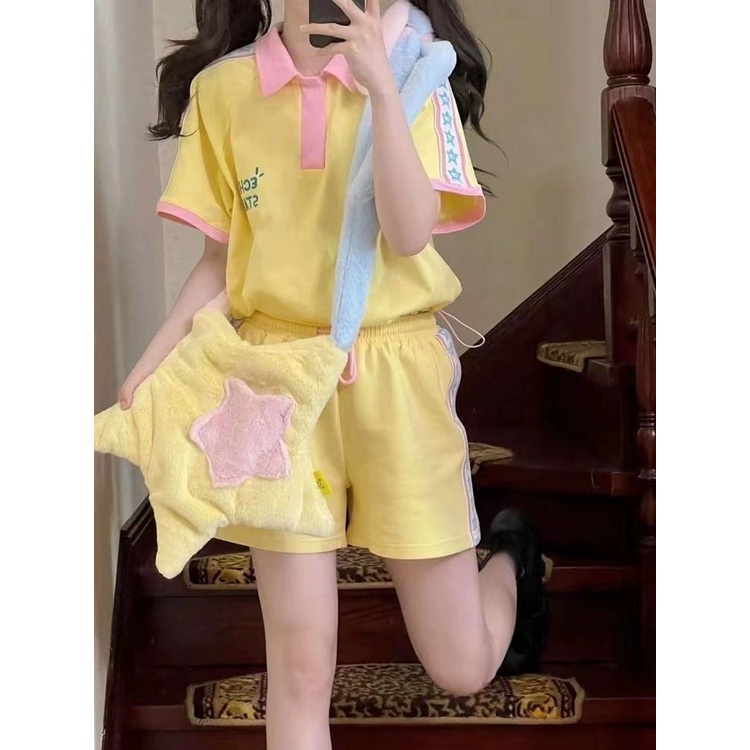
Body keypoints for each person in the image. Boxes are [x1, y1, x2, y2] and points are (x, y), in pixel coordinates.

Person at [122, 1, 548, 747]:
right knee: (298, 665)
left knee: (462, 665)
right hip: (276, 383)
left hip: (398, 378)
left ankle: (513, 559)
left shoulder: (417, 68)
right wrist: (153, 363)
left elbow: (409, 233)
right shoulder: (224, 91)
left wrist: (382, 86)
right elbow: (221, 264)